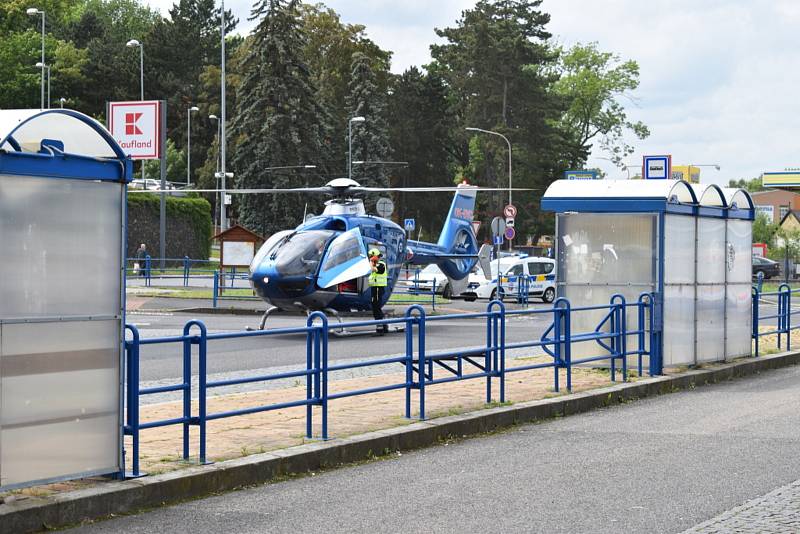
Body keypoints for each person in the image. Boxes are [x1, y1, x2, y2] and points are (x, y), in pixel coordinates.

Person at [368, 248, 389, 335]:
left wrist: (371, 261)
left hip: (378, 288)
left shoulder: (381, 264)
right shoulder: (376, 264)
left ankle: (380, 329)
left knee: (376, 307)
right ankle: (384, 326)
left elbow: (373, 269)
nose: (370, 258)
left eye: (371, 256)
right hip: (375, 288)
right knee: (376, 307)